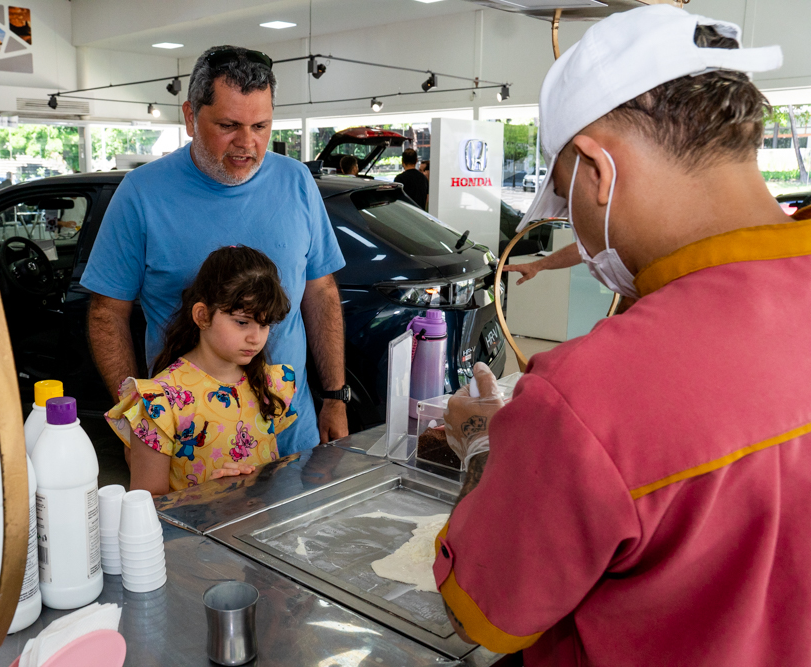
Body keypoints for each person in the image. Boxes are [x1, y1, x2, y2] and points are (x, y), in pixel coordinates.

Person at [436, 7, 808, 666]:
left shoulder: (589, 394)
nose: (574, 227)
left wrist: (480, 443)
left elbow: (483, 611)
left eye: (564, 194)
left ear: (597, 169)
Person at [81, 45, 349, 458]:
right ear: (190, 117)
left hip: (289, 432)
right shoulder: (142, 194)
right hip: (188, 442)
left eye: (261, 126)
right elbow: (107, 312)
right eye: (229, 125)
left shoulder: (296, 181)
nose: (248, 143)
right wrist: (136, 419)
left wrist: (334, 395)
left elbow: (320, 292)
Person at [105, 246, 298, 494]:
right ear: (202, 316)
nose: (255, 338)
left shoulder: (271, 384)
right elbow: (148, 506)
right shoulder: (160, 402)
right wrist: (205, 499)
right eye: (242, 322)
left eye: (264, 324)